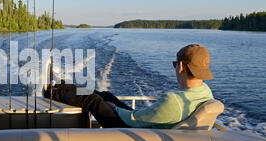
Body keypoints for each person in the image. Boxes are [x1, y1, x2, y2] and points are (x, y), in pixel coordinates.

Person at [44, 44, 214, 129]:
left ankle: (51, 92)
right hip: (150, 129)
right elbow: (144, 116)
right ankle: (62, 86)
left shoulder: (174, 100)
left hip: (134, 134)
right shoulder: (206, 93)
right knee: (107, 96)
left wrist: (116, 110)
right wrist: (114, 105)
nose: (176, 68)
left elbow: (136, 119)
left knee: (92, 100)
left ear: (182, 67)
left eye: (175, 64)